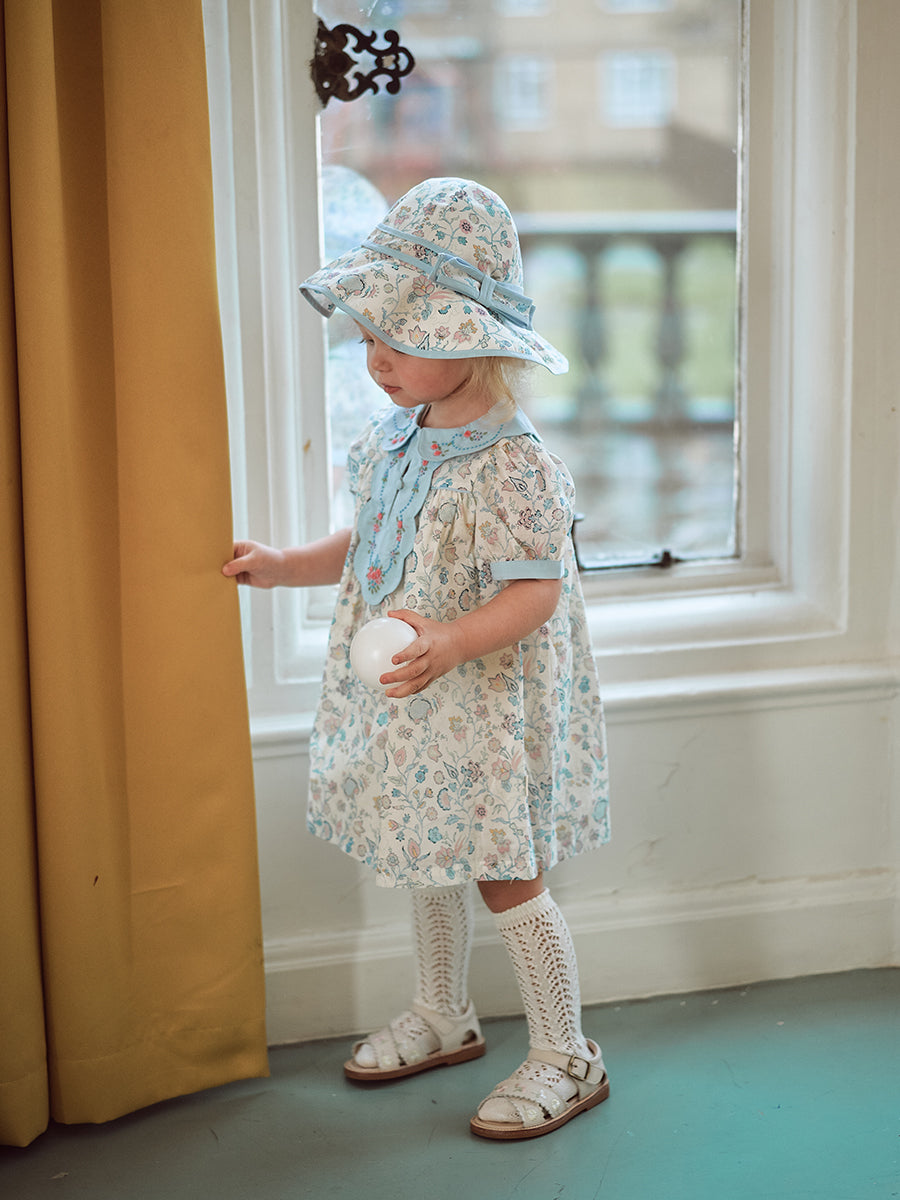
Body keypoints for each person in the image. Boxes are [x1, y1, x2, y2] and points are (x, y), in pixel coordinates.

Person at [223, 177, 611, 1140]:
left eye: (404, 337)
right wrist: (286, 566)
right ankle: (444, 1012)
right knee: (428, 855)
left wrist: (450, 639)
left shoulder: (514, 466)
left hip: (480, 704)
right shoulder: (392, 439)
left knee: (504, 874)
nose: (378, 359)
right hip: (412, 703)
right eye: (370, 336)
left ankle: (568, 1050)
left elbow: (536, 595)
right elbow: (368, 542)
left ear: (473, 337)